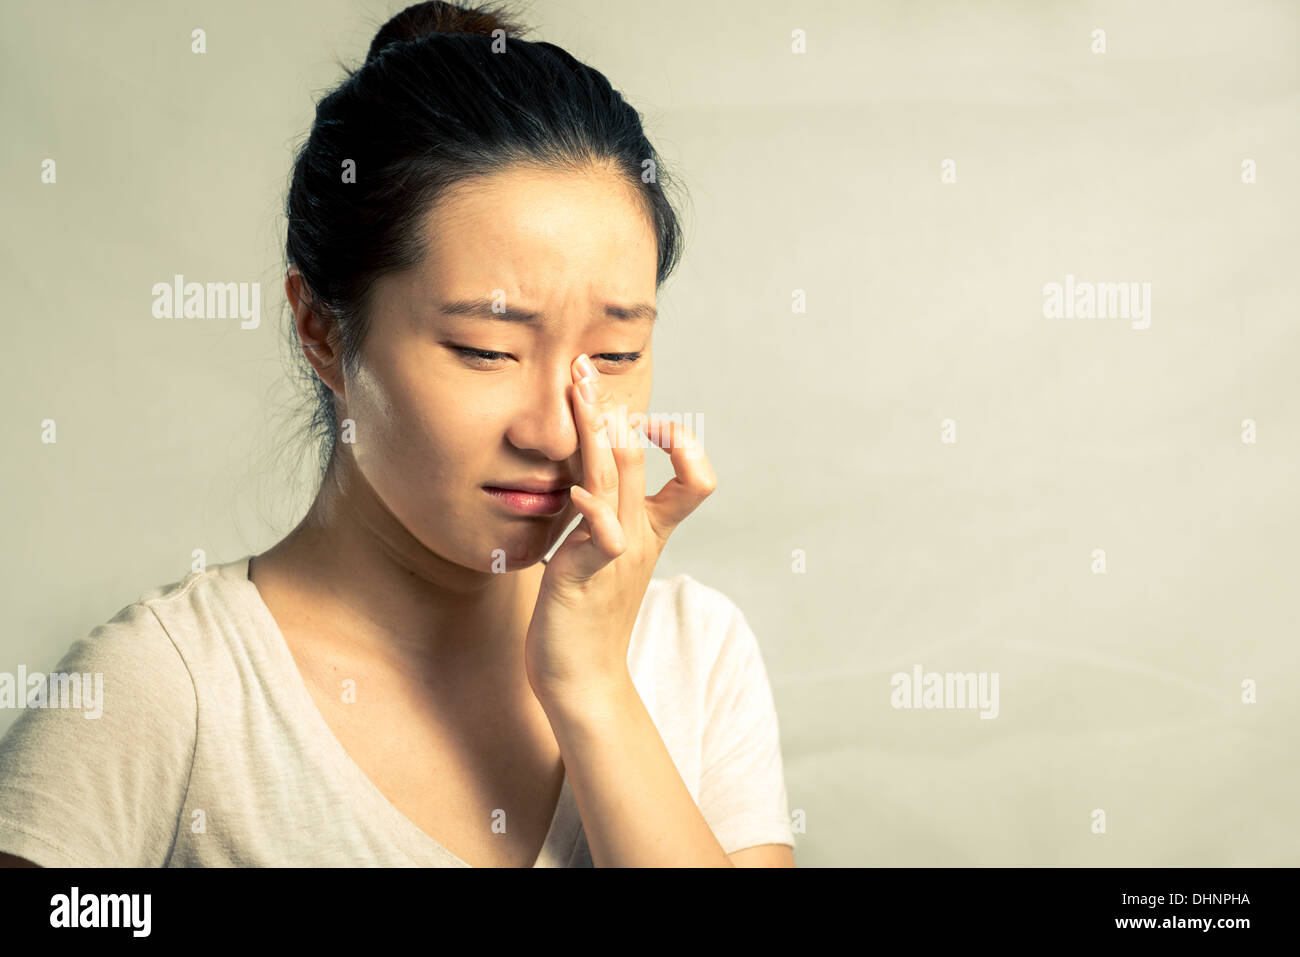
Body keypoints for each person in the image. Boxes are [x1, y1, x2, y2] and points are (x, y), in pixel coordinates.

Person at [0, 0, 795, 867]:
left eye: (614, 353)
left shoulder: (693, 654)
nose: (553, 428)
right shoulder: (165, 692)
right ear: (321, 330)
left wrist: (596, 691)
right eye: (485, 349)